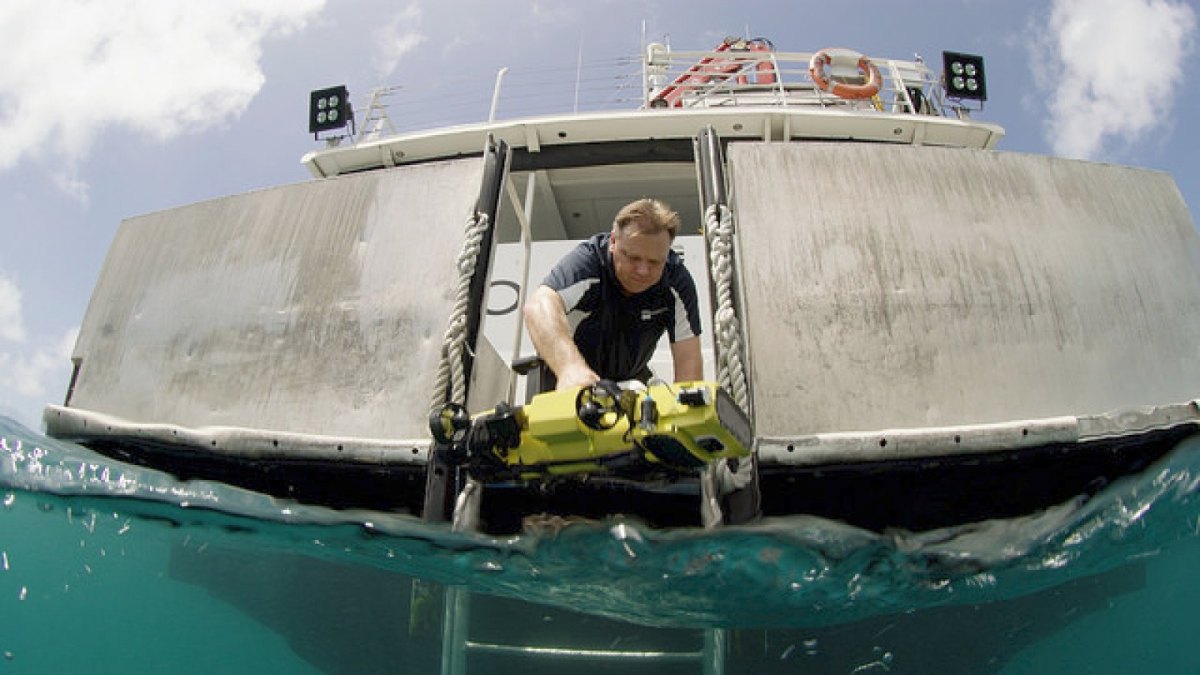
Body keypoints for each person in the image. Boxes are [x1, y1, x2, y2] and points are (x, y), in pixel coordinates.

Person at [523, 198, 704, 390]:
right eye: (633, 258)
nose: (643, 270)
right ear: (612, 242)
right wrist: (570, 370)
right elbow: (538, 306)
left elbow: (688, 369)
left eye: (655, 262)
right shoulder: (588, 263)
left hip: (633, 384)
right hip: (567, 380)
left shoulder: (676, 281)